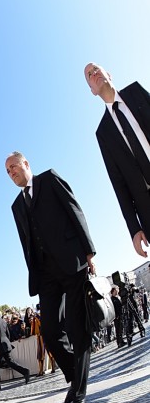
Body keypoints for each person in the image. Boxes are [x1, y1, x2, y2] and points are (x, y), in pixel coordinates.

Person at [6, 151, 96, 403]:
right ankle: (74, 376)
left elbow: (74, 209)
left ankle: (79, 388)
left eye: (14, 167)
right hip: (45, 274)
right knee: (51, 333)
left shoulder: (49, 179)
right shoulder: (16, 206)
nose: (11, 172)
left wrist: (89, 251)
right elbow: (26, 243)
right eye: (8, 171)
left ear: (26, 164)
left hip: (71, 261)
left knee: (77, 328)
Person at [84, 63, 150, 258]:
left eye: (96, 68)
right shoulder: (103, 132)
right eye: (89, 75)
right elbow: (118, 182)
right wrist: (134, 227)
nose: (93, 73)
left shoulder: (136, 91)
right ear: (92, 91)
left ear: (108, 74)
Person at [0, 307, 31, 391]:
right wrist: (6, 342)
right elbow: (8, 333)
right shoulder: (3, 321)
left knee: (3, 364)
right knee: (7, 363)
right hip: (6, 344)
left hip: (0, 346)